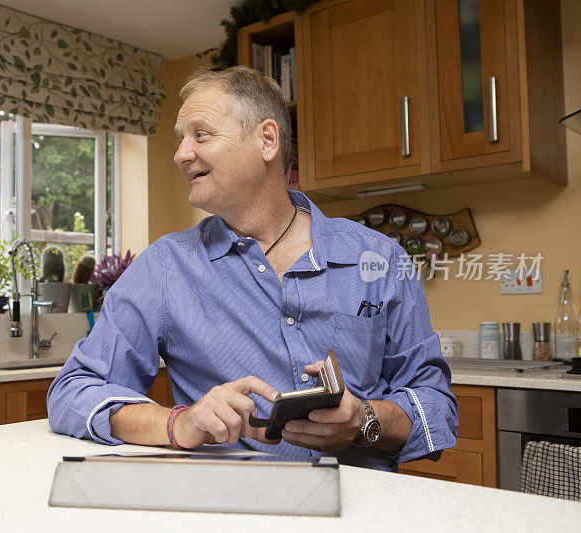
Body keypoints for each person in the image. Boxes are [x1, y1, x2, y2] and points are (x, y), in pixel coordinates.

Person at [47, 66, 458, 470]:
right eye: (180, 139)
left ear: (266, 140)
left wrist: (364, 419)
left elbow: (436, 405)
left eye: (200, 134)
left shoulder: (380, 259)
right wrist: (178, 423)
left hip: (363, 507)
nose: (180, 154)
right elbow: (72, 391)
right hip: (230, 506)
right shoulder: (165, 268)